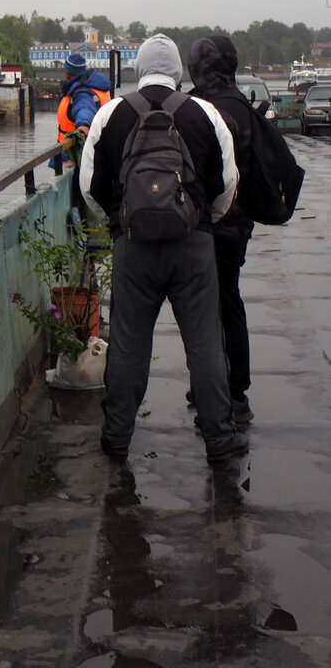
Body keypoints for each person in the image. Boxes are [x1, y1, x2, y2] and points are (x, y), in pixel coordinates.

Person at [79, 33, 248, 463]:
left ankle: (117, 436)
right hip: (193, 247)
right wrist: (203, 222)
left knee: (130, 345)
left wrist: (117, 226)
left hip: (133, 248)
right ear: (178, 72)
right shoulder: (206, 113)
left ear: (137, 69)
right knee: (206, 343)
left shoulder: (110, 115)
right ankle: (220, 439)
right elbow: (227, 186)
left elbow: (89, 188)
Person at [187, 35, 256, 424]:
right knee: (226, 301)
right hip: (238, 223)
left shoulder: (206, 107)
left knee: (211, 307)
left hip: (211, 222)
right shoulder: (240, 103)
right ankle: (230, 389)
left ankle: (224, 391)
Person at [57, 52, 111, 143]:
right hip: (99, 146)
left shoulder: (82, 92)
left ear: (67, 73)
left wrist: (83, 125)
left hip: (73, 153)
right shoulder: (97, 87)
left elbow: (85, 107)